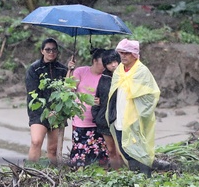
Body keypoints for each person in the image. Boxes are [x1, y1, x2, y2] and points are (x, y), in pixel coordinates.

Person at [106, 39, 160, 176]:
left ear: (134, 54)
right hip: (119, 117)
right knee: (125, 149)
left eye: (127, 53)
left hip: (135, 119)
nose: (123, 56)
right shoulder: (119, 70)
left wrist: (140, 114)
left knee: (140, 150)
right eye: (121, 53)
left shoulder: (141, 72)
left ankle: (145, 177)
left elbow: (152, 94)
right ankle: (135, 177)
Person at [25, 38, 68, 163]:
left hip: (57, 111)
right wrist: (45, 111)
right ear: (42, 51)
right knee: (36, 141)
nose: (51, 52)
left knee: (53, 148)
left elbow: (68, 89)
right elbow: (33, 93)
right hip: (38, 111)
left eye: (54, 49)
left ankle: (52, 174)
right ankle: (31, 171)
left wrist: (70, 70)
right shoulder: (34, 69)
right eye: (48, 50)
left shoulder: (63, 70)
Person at [67, 48, 109, 167]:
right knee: (80, 153)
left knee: (100, 154)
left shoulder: (107, 76)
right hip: (81, 120)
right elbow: (69, 89)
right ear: (94, 61)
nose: (105, 65)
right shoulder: (80, 71)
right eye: (103, 62)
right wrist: (70, 70)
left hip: (99, 121)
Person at [91, 49, 123, 169]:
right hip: (105, 120)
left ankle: (126, 174)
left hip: (120, 119)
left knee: (121, 150)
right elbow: (97, 98)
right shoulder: (104, 78)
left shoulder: (124, 77)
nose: (114, 65)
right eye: (110, 63)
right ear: (105, 65)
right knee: (111, 150)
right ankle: (117, 174)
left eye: (115, 61)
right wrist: (97, 115)